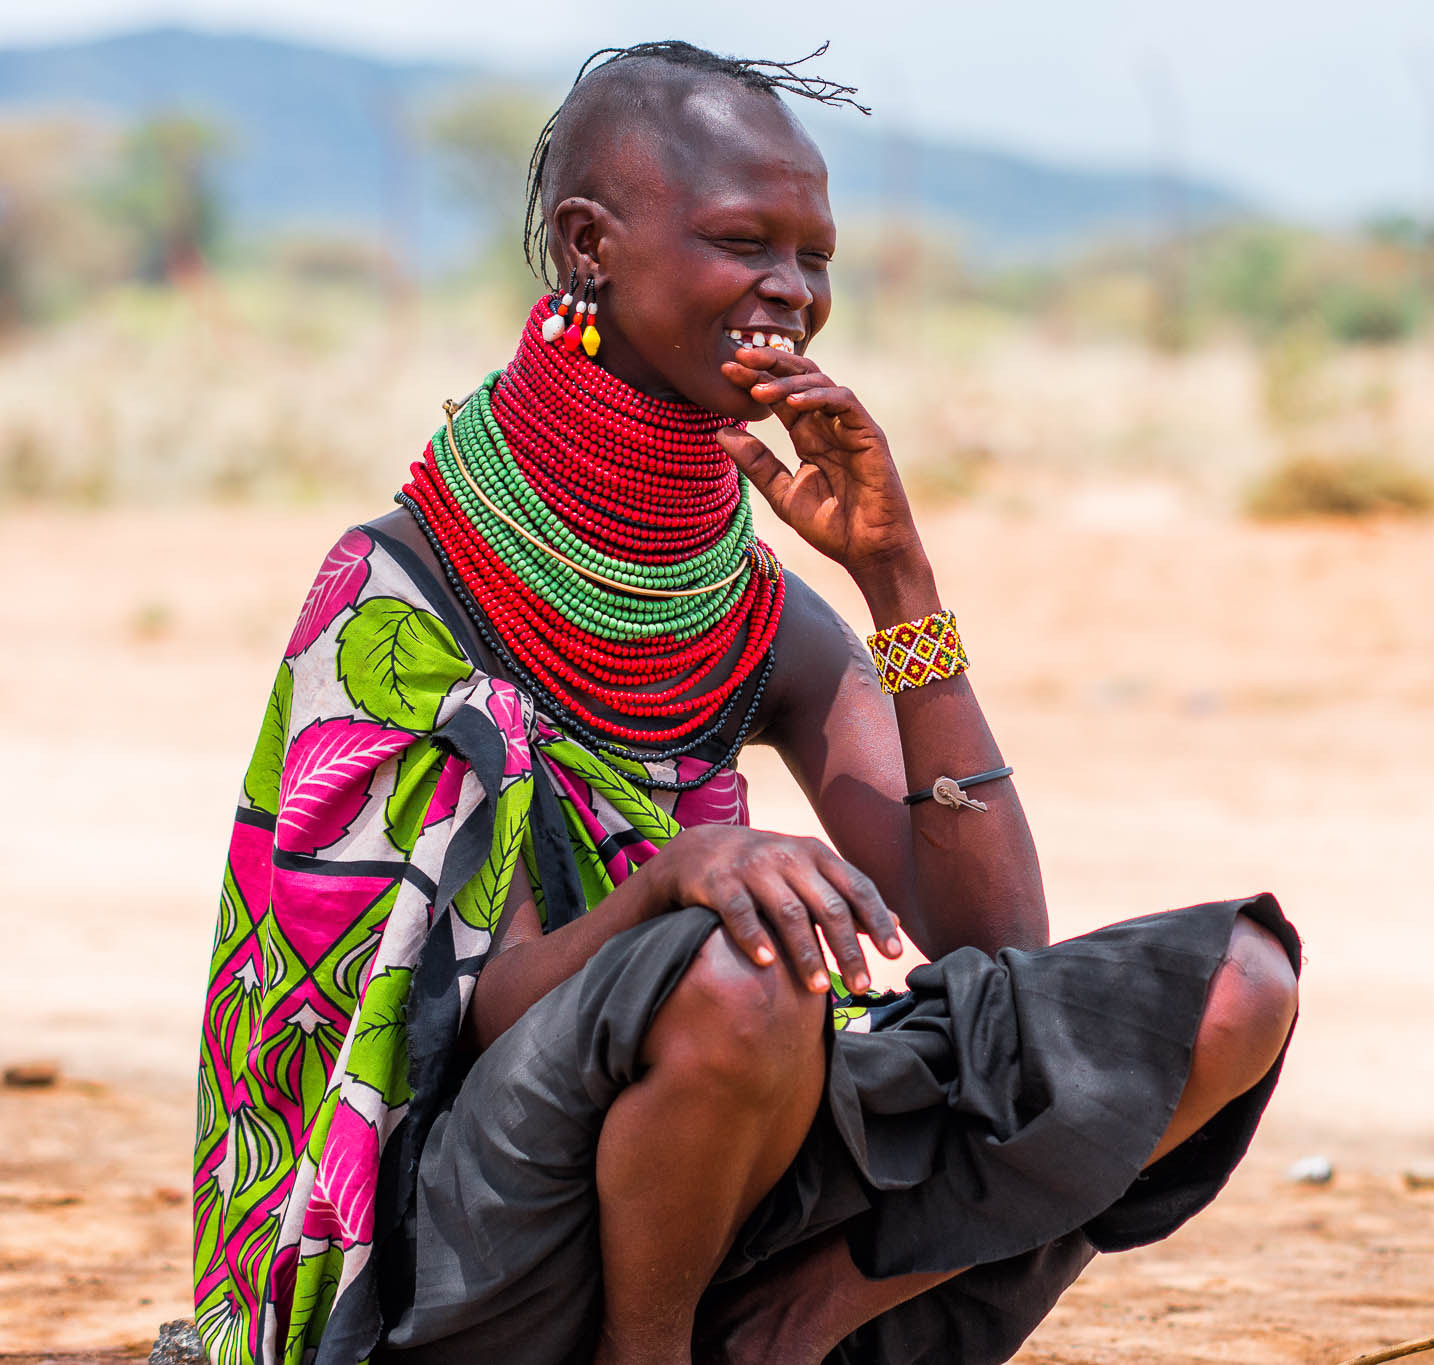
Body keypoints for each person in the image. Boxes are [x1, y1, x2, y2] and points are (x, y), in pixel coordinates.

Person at [191, 39, 1300, 1365]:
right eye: (742, 241)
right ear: (590, 243)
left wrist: (896, 580)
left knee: (1233, 986)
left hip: (719, 1188)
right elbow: (458, 1016)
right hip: (469, 1246)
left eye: (814, 254)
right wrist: (673, 881)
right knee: (746, 962)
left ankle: (796, 1327)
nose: (792, 291)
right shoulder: (405, 597)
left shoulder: (748, 608)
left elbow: (991, 948)